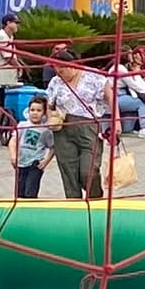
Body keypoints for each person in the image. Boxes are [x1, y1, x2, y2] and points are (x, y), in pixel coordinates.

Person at [44, 58, 108, 200]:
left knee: (89, 171)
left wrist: (117, 121)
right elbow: (49, 104)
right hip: (63, 127)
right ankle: (74, 205)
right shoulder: (55, 82)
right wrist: (51, 119)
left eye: (62, 69)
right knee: (68, 171)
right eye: (56, 70)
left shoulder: (93, 76)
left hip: (88, 125)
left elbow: (110, 94)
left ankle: (95, 198)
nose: (59, 73)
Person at [7, 87, 48, 201]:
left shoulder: (45, 130)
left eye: (39, 110)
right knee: (19, 193)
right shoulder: (22, 125)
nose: (35, 113)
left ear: (44, 113)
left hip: (35, 164)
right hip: (21, 162)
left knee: (30, 192)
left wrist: (46, 161)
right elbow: (13, 141)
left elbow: (53, 147)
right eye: (32, 110)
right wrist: (13, 156)